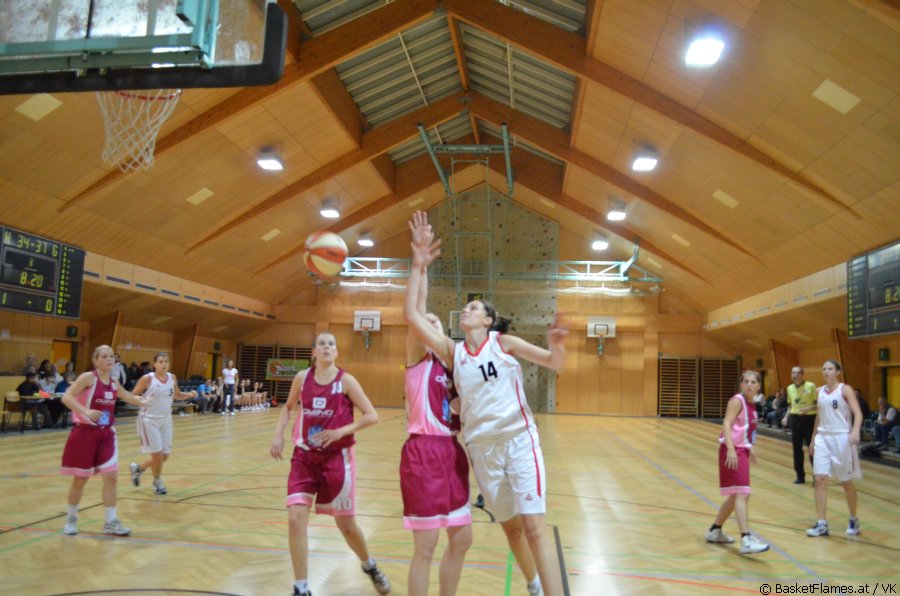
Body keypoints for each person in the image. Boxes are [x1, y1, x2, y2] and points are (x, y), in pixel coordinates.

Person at [403, 210, 565, 596]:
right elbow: (412, 314)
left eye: (475, 308)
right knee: (512, 529)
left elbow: (553, 363)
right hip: (481, 449)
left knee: (534, 527)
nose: (467, 309)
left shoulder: (503, 344)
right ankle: (533, 583)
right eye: (466, 307)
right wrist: (419, 266)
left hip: (518, 440)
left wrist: (557, 344)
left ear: (489, 320)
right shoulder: (453, 352)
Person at [270, 333, 391, 596]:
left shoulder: (346, 381)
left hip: (337, 459)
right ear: (314, 352)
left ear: (336, 352)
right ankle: (301, 588)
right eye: (321, 344)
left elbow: (371, 416)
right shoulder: (302, 378)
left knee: (347, 526)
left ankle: (369, 565)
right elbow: (288, 407)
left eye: (331, 344)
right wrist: (278, 433)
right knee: (295, 519)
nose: (326, 347)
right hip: (304, 457)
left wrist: (340, 432)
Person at [401, 212, 472, 596]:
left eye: (436, 324)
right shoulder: (417, 360)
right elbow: (415, 308)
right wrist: (420, 266)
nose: (428, 325)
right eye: (423, 324)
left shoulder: (453, 366)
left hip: (451, 453)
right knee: (425, 547)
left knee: (462, 539)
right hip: (424, 453)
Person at [59, 344, 149, 536]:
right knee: (80, 479)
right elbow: (66, 397)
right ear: (95, 360)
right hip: (84, 434)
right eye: (105, 356)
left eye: (111, 356)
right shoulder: (88, 378)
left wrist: (143, 401)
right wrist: (85, 411)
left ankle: (111, 522)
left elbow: (127, 396)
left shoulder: (114, 382)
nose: (109, 359)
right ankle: (71, 518)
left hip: (106, 434)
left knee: (111, 476)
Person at [704, 370, 769, 554]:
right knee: (742, 493)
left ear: (758, 386)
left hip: (741, 449)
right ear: (741, 384)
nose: (749, 385)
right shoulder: (737, 401)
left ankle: (715, 530)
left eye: (753, 382)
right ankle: (746, 539)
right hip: (732, 450)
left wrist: (750, 447)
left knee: (735, 495)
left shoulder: (751, 404)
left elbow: (745, 429)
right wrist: (731, 449)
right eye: (746, 381)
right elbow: (726, 423)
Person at [806, 359, 864, 538]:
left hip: (841, 438)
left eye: (830, 369)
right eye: (824, 369)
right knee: (819, 479)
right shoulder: (819, 391)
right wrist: (813, 439)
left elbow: (858, 413)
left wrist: (855, 429)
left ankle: (853, 519)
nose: (826, 371)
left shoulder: (845, 389)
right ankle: (821, 523)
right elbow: (819, 416)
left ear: (838, 372)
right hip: (823, 438)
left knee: (846, 482)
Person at [129, 352, 197, 495]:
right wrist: (142, 400)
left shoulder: (172, 377)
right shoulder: (148, 378)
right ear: (155, 364)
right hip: (149, 420)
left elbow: (177, 395)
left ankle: (138, 469)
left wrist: (189, 395)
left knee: (164, 456)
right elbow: (132, 396)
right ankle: (157, 482)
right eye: (160, 362)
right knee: (157, 455)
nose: (164, 364)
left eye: (166, 361)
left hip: (166, 420)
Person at [782, 366, 817, 484]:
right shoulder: (789, 388)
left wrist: (808, 409)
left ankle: (817, 476)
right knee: (796, 448)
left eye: (797, 373)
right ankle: (800, 476)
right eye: (793, 372)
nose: (795, 375)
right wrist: (786, 417)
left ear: (802, 374)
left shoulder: (811, 386)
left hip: (809, 419)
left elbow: (819, 404)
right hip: (795, 419)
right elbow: (791, 405)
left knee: (812, 448)